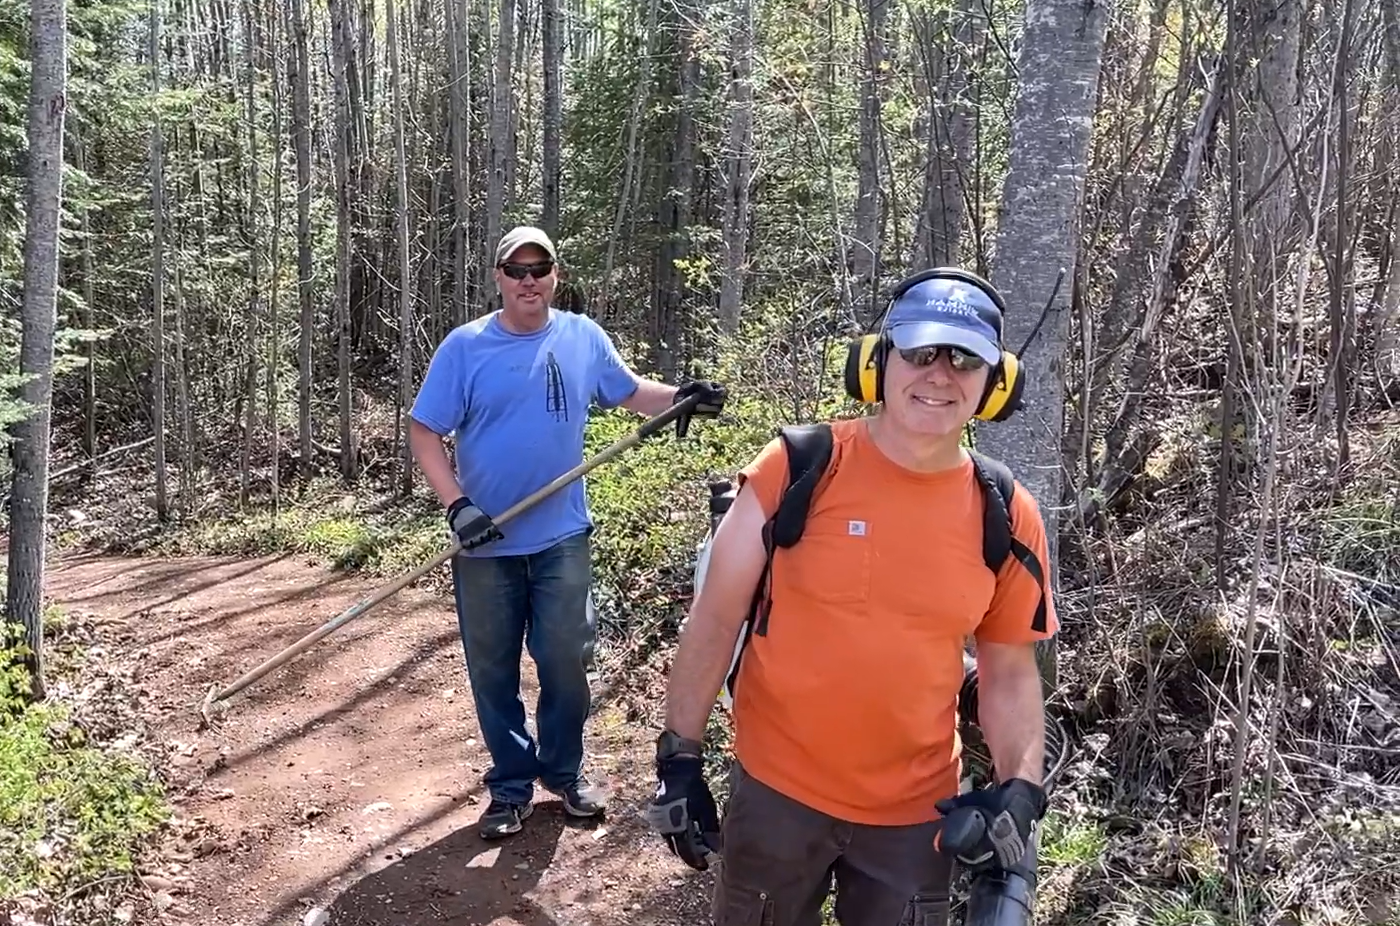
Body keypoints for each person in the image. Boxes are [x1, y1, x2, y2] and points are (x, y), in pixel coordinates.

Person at [643, 267, 1059, 924]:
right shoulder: (797, 466)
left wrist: (1019, 789)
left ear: (995, 384)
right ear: (876, 362)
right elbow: (715, 618)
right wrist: (679, 758)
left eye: (964, 360)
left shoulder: (1005, 512)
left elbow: (1008, 671)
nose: (939, 375)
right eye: (920, 352)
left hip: (916, 819)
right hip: (776, 794)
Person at [408, 225, 727, 840]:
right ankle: (509, 787)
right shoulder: (465, 347)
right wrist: (457, 506)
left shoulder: (582, 336)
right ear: (498, 277)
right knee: (493, 669)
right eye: (516, 269)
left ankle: (565, 771)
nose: (529, 279)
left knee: (564, 661)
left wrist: (682, 397)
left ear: (556, 275)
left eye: (540, 268)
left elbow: (629, 392)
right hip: (484, 542)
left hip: (561, 537)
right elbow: (425, 430)